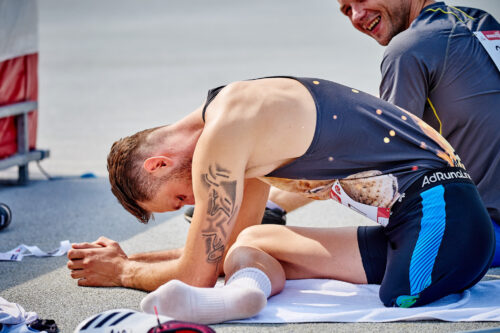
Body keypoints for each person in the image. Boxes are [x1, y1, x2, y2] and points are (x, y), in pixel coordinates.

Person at [68, 76, 494, 323]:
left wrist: (122, 272)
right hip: (441, 230)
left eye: (180, 198)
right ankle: (243, 295)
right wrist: (135, 260)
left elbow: (196, 274)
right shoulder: (244, 118)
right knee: (252, 242)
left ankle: (241, 296)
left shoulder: (224, 135)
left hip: (440, 235)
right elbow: (220, 251)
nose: (192, 201)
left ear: (158, 164)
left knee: (398, 293)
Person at [254, 0, 500, 267]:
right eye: (347, 9)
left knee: (262, 243)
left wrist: (274, 200)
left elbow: (378, 162)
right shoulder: (483, 24)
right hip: (483, 227)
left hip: (478, 239)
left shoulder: (409, 48)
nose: (357, 16)